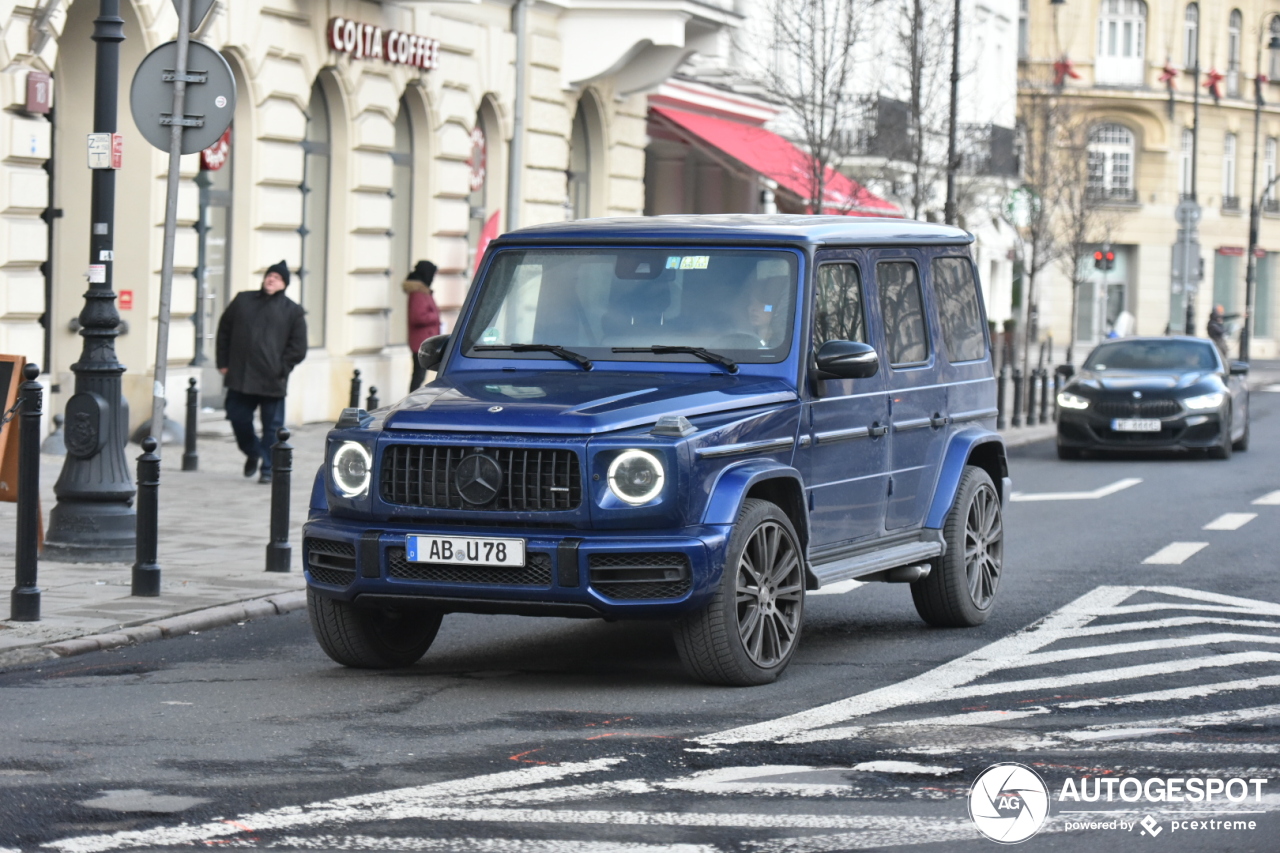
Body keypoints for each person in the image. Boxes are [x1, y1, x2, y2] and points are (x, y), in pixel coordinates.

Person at [216, 260, 307, 484]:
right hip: (240, 376)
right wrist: (223, 361)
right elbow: (224, 330)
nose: (271, 279)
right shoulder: (243, 300)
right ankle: (253, 451)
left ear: (284, 284)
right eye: (270, 275)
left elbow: (298, 348)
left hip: (272, 379)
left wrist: (282, 368)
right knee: (237, 418)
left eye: (277, 277)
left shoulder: (292, 311)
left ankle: (267, 468)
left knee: (272, 428)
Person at [404, 260, 440, 392]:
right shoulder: (418, 293)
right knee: (418, 376)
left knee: (420, 375)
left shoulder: (423, 291)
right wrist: (435, 317)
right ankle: (410, 402)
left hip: (424, 340)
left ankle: (411, 401)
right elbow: (418, 317)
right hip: (420, 342)